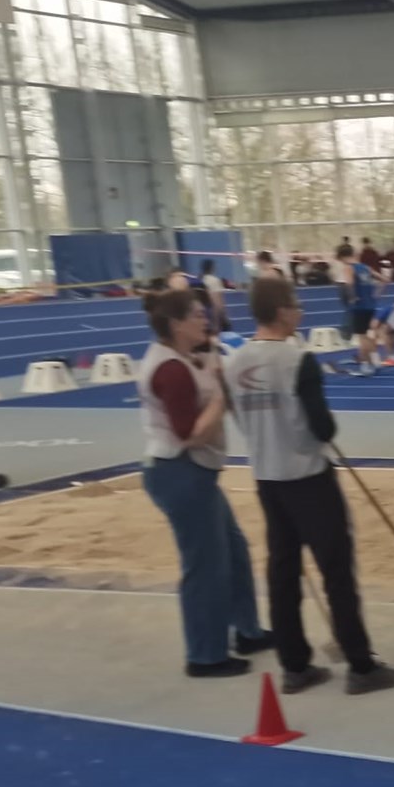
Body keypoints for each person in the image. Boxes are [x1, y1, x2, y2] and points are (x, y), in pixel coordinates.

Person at [225, 277, 394, 696]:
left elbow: (240, 419)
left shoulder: (233, 364)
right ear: (280, 312)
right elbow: (323, 428)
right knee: (336, 572)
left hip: (267, 478)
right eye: (295, 305)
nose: (300, 312)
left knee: (283, 573)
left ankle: (294, 667)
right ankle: (361, 666)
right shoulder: (298, 360)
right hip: (309, 478)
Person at [136, 288, 272, 678]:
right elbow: (190, 435)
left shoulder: (190, 357)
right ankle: (205, 655)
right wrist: (221, 397)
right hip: (179, 471)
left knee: (234, 552)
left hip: (197, 472)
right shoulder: (170, 370)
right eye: (197, 315)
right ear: (176, 324)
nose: (205, 320)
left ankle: (246, 630)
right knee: (206, 565)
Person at [339, 245, 383, 372]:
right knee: (367, 335)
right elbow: (385, 279)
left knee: (362, 337)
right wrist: (376, 294)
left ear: (342, 257)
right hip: (370, 305)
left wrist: (352, 297)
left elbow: (349, 283)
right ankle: (375, 361)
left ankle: (366, 365)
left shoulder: (349, 268)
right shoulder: (366, 268)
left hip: (359, 306)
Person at [200, 260, 230, 333]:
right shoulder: (214, 281)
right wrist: (223, 318)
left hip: (202, 316)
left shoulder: (200, 280)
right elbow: (218, 303)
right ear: (212, 268)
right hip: (213, 317)